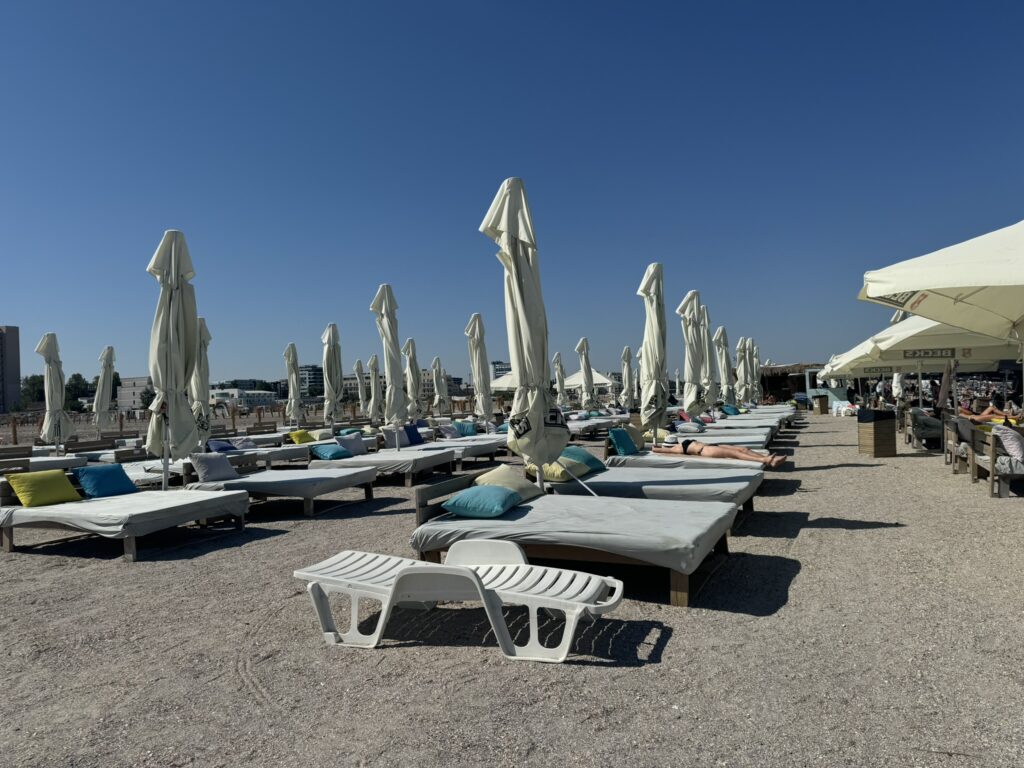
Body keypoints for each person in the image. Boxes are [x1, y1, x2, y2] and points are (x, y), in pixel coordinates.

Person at [652, 438, 787, 469]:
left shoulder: (679, 444)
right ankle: (764, 461)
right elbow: (658, 450)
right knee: (735, 454)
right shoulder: (675, 449)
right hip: (705, 451)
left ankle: (768, 458)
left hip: (710, 446)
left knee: (743, 449)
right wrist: (656, 447)